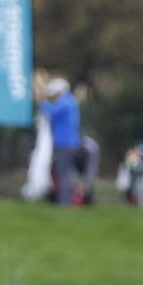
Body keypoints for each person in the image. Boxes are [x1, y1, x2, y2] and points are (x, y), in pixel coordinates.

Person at [37, 77, 81, 206]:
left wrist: (42, 103)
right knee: (65, 172)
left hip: (65, 143)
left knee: (63, 173)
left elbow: (52, 113)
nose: (54, 97)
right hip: (68, 143)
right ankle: (66, 200)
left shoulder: (65, 102)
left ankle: (64, 202)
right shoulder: (70, 101)